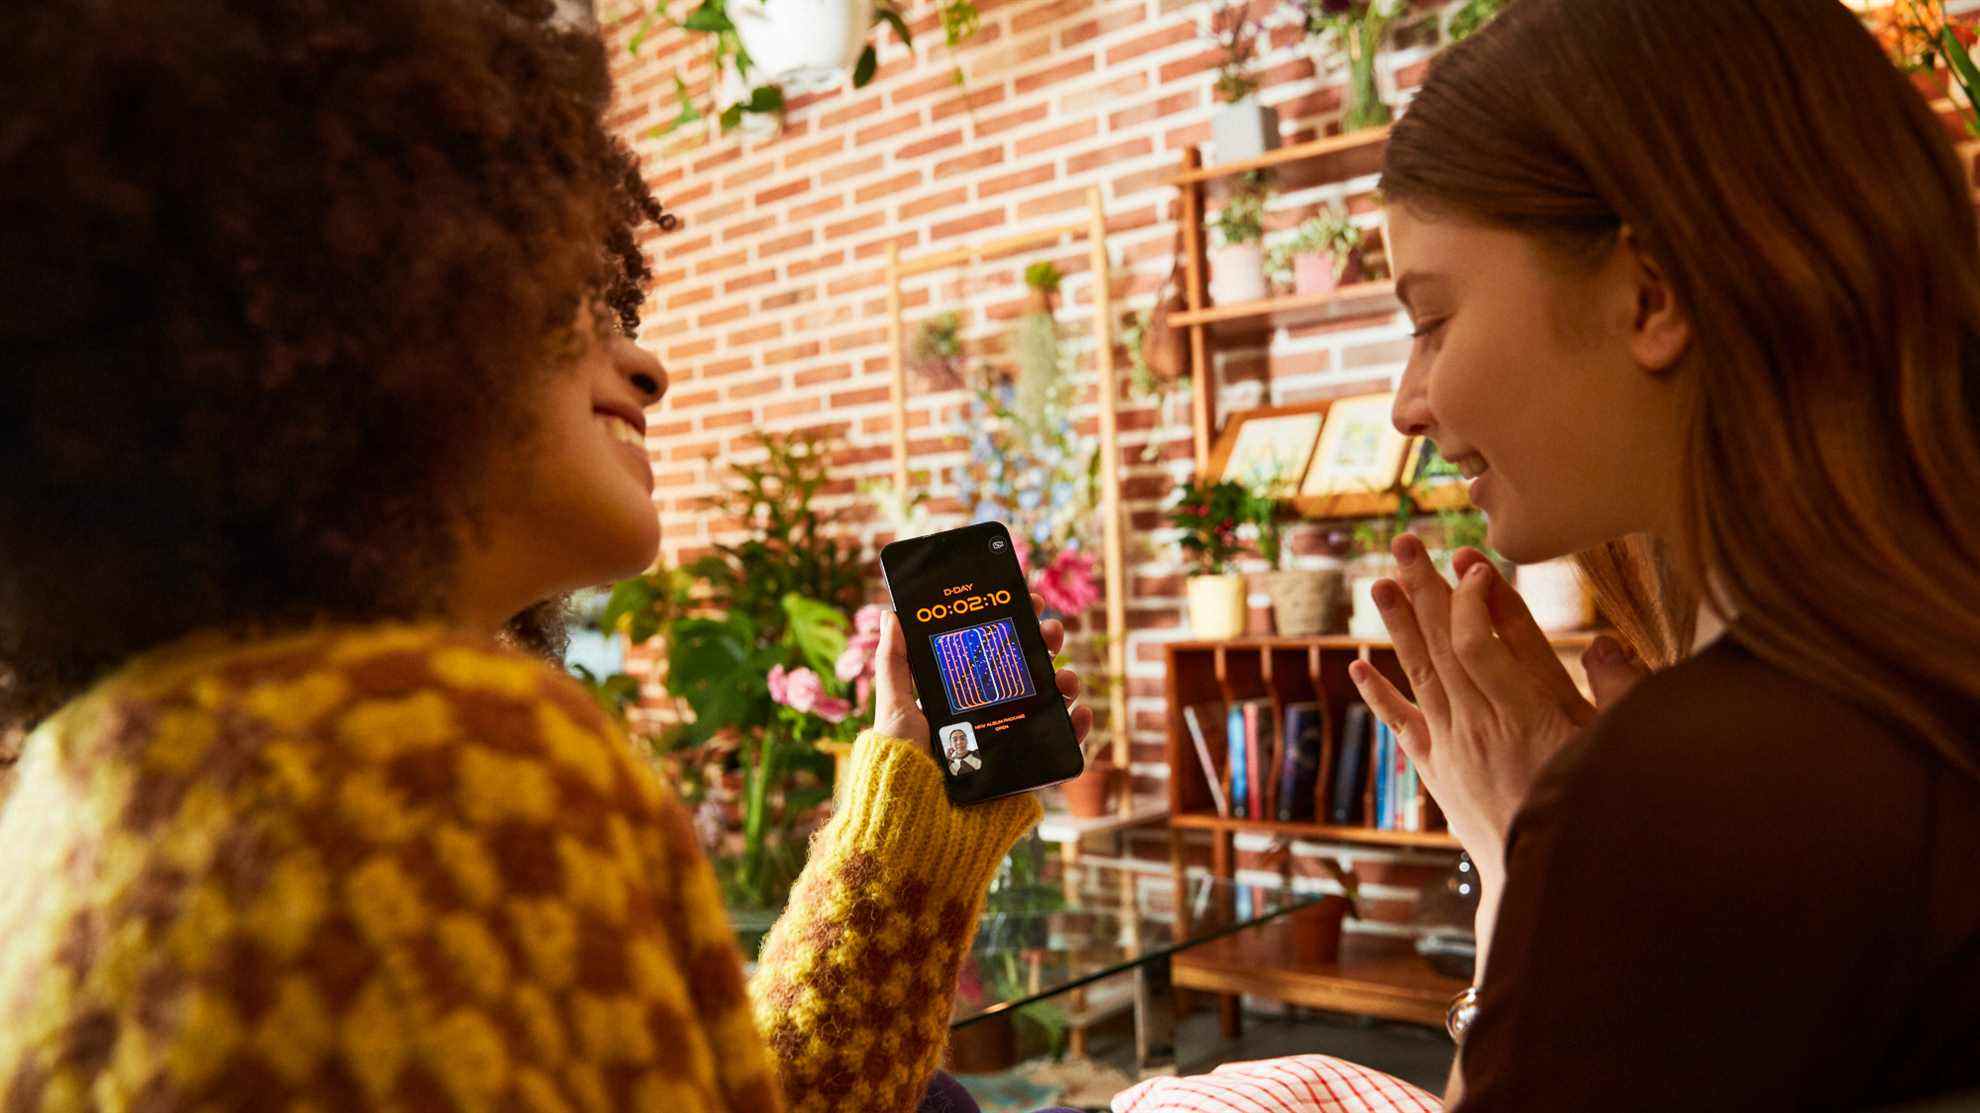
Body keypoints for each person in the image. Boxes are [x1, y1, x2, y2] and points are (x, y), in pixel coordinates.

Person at [0, 2, 1093, 1111]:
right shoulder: (422, 773)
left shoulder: (136, 783)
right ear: (380, 318)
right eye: (570, 294)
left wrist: (922, 808)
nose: (648, 366)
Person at [1345, 1, 1980, 1109]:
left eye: (1433, 320)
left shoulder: (1698, 800)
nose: (1409, 403)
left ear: (1653, 292)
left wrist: (1518, 875)